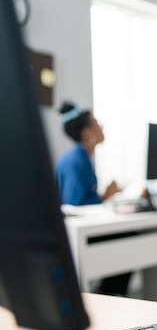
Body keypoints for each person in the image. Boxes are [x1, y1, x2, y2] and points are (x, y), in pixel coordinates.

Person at [56, 101, 130, 296]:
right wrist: (104, 196)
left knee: (129, 237)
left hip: (86, 228)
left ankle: (111, 292)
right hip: (76, 234)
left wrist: (106, 195)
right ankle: (109, 293)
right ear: (87, 133)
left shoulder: (83, 158)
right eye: (97, 123)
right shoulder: (74, 161)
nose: (102, 127)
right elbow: (74, 203)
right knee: (127, 240)